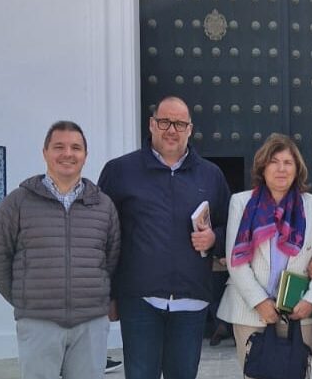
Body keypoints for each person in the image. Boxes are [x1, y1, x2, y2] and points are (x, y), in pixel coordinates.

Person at [98, 96, 231, 379]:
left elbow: (229, 227)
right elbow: (104, 236)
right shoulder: (120, 171)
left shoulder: (211, 175)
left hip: (191, 300)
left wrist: (214, 239)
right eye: (164, 122)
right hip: (139, 300)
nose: (172, 129)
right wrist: (110, 295)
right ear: (151, 124)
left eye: (180, 124)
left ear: (190, 129)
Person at [0, 121, 121, 379]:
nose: (68, 154)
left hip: (90, 323)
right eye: (59, 147)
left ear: (85, 155)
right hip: (38, 322)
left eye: (76, 147)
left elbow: (111, 258)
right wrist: (24, 299)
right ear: (45, 152)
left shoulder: (103, 206)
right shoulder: (17, 203)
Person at [216, 133, 312, 374]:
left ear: (297, 169)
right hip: (250, 312)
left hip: (299, 312)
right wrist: (260, 302)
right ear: (262, 167)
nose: (281, 169)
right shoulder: (241, 202)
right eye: (274, 161)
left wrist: (311, 300)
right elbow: (236, 261)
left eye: (288, 163)